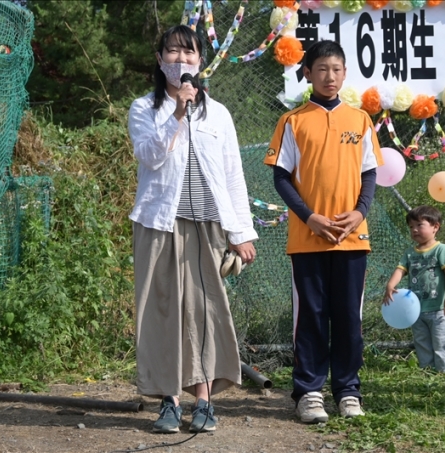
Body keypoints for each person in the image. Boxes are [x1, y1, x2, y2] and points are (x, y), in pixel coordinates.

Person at [127, 25, 257, 433]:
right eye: (172, 52)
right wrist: (177, 115)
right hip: (158, 224)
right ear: (159, 59)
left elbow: (233, 174)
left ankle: (204, 401)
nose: (180, 59)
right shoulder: (143, 108)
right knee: (163, 312)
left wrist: (242, 231)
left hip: (208, 227)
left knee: (204, 312)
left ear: (200, 61)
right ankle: (169, 401)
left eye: (188, 53)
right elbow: (149, 156)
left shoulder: (218, 113)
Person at [264, 40, 383, 423]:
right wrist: (309, 217)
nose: (329, 76)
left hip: (352, 238)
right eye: (321, 69)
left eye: (336, 69)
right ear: (307, 74)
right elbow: (281, 178)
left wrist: (359, 212)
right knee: (311, 316)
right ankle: (309, 392)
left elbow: (369, 174)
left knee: (349, 318)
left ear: (344, 73)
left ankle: (348, 391)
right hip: (307, 239)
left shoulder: (360, 120)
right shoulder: (293, 121)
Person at [383, 206, 445, 373]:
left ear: (435, 227)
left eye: (419, 225)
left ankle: (444, 373)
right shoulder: (410, 253)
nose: (414, 230)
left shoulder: (441, 250)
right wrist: (390, 285)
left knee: (442, 341)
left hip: (438, 309)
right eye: (411, 227)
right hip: (416, 310)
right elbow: (400, 270)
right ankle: (427, 371)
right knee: (422, 342)